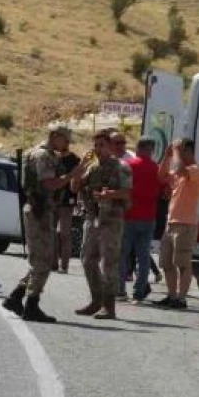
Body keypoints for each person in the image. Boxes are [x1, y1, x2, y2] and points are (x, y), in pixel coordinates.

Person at [2, 124, 83, 323]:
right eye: (65, 139)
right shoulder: (43, 156)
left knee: (39, 260)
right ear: (55, 136)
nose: (67, 144)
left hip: (38, 209)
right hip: (40, 210)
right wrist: (72, 174)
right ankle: (31, 304)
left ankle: (17, 296)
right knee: (43, 261)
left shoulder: (37, 153)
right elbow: (49, 184)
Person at [71, 129, 132, 320]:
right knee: (87, 259)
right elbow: (75, 187)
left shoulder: (121, 166)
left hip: (112, 219)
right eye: (95, 145)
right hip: (93, 218)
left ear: (110, 147)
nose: (98, 149)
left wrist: (109, 194)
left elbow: (127, 193)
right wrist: (80, 167)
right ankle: (96, 299)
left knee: (109, 262)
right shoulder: (92, 168)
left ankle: (109, 306)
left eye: (102, 145)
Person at [154, 139, 199, 310]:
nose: (178, 156)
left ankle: (181, 299)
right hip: (171, 222)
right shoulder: (180, 172)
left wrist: (176, 152)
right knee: (167, 262)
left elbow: (181, 170)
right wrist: (167, 157)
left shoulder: (195, 170)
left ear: (188, 152)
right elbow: (161, 177)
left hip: (186, 223)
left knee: (182, 262)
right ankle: (172, 295)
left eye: (181, 152)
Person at [120, 138, 161, 301]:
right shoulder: (156, 168)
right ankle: (139, 290)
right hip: (149, 216)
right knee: (143, 256)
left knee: (122, 254)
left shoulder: (128, 165)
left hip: (129, 215)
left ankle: (120, 289)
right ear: (151, 149)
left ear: (138, 148)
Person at [51, 143, 80, 273]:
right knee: (51, 233)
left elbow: (77, 179)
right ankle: (53, 263)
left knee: (64, 234)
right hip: (52, 200)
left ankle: (64, 265)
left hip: (67, 201)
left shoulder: (75, 160)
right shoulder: (52, 159)